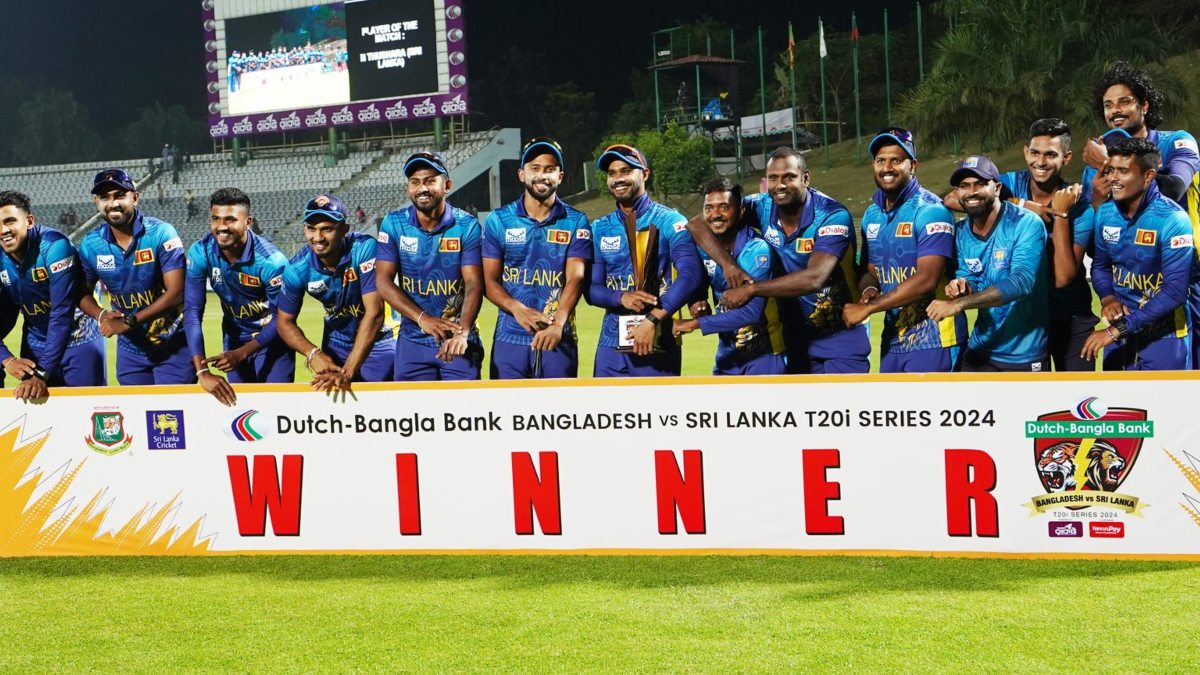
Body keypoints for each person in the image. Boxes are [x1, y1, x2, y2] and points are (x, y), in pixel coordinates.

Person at [692, 147, 869, 374]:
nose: (780, 185)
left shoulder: (832, 215)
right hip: (793, 341)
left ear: (805, 178)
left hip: (839, 337)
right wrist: (728, 266)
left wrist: (752, 289)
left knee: (839, 409)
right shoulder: (761, 205)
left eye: (789, 177)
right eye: (773, 178)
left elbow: (815, 278)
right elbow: (698, 223)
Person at [944, 119, 1092, 371]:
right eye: (1034, 153)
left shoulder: (1079, 206)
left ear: (1066, 158)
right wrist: (1024, 205)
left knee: (1071, 400)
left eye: (1050, 155)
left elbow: (1063, 278)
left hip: (1067, 314)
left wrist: (1060, 214)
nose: (1040, 162)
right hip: (1022, 313)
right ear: (1026, 152)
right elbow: (953, 198)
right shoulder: (1012, 182)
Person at [843, 128, 966, 372]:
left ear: (913, 166)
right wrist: (868, 289)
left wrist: (867, 309)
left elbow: (926, 281)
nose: (887, 168)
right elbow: (872, 270)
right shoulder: (871, 215)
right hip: (892, 340)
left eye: (896, 160)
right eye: (880, 160)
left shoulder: (931, 211)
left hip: (935, 339)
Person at [588, 144, 702, 377]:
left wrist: (652, 319)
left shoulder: (670, 221)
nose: (618, 178)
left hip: (657, 338)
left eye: (626, 170)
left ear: (645, 174)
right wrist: (620, 297)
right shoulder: (600, 227)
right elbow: (591, 289)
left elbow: (691, 275)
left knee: (657, 414)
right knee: (603, 413)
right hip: (611, 345)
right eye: (612, 173)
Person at [481, 137, 591, 379]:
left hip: (558, 336)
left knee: (558, 415)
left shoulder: (576, 221)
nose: (542, 175)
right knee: (507, 413)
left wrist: (558, 324)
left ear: (560, 176)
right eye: (535, 168)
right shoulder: (498, 220)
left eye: (550, 169)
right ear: (522, 174)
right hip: (509, 338)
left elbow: (576, 277)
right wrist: (517, 309)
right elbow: (489, 281)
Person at [927, 156, 1050, 371]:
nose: (972, 191)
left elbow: (1022, 281)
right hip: (980, 349)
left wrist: (959, 304)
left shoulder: (1026, 223)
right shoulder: (962, 232)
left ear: (997, 188)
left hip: (1023, 353)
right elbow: (971, 277)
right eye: (964, 186)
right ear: (957, 193)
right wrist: (961, 287)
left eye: (981, 184)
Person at [1082, 138, 1195, 370]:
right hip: (1119, 337)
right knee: (1117, 406)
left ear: (1148, 176)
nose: (1113, 178)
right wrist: (1107, 298)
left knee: (1164, 407)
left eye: (1123, 171)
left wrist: (1116, 330)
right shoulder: (1105, 213)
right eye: (1111, 169)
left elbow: (1175, 292)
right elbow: (1101, 267)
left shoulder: (1173, 219)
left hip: (1165, 337)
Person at [375, 152, 485, 381]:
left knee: (461, 415)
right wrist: (422, 318)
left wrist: (463, 332)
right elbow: (383, 282)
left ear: (447, 185)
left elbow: (474, 283)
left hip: (457, 340)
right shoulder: (393, 223)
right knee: (410, 415)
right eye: (415, 182)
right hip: (411, 341)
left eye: (430, 181)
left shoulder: (467, 226)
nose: (422, 188)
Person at [78, 168, 193, 385]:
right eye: (105, 197)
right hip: (130, 351)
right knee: (135, 417)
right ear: (96, 202)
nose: (113, 203)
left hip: (172, 345)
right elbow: (81, 293)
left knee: (171, 417)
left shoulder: (161, 233)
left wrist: (130, 321)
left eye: (120, 195)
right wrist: (101, 315)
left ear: (135, 197)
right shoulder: (90, 244)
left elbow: (177, 293)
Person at [184, 188, 293, 406]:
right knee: (240, 413)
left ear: (247, 222)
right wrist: (202, 371)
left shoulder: (271, 261)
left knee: (277, 412)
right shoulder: (201, 252)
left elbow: (281, 319)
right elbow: (192, 311)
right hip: (233, 341)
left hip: (273, 342)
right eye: (216, 219)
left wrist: (242, 353)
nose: (221, 226)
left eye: (230, 219)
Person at [276, 194, 395, 390]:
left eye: (327, 229)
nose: (318, 238)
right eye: (311, 229)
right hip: (336, 344)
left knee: (381, 413)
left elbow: (375, 313)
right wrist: (313, 353)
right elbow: (284, 322)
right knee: (337, 412)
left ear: (344, 231)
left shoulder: (364, 248)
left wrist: (348, 371)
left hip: (380, 339)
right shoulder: (297, 268)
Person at [672, 178, 786, 375]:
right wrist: (696, 301)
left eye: (724, 207)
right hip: (727, 356)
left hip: (765, 355)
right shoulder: (704, 248)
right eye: (709, 208)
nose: (716, 215)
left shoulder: (757, 249)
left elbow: (752, 313)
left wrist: (694, 324)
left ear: (741, 211)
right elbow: (699, 281)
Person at [0, 190, 105, 400]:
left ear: (29, 221)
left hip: (79, 341)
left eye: (10, 221)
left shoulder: (55, 246)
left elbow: (62, 312)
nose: (3, 230)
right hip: (36, 345)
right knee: (41, 423)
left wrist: (42, 372)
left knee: (88, 416)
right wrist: (8, 360)